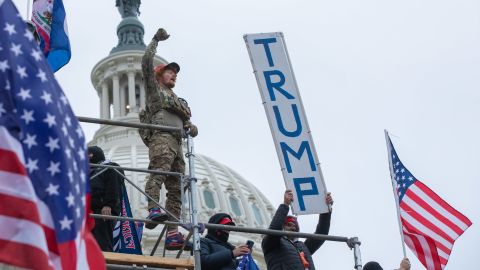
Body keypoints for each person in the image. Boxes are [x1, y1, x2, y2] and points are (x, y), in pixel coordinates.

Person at [140, 27, 198, 250]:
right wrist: (155, 40)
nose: (174, 74)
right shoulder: (155, 91)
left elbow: (184, 122)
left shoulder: (178, 100)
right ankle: (153, 208)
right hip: (162, 137)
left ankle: (173, 232)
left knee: (177, 187)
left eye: (175, 73)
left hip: (177, 143)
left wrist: (190, 126)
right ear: (159, 75)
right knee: (158, 173)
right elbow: (146, 62)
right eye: (169, 71)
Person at [262, 190, 333, 270]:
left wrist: (325, 210)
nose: (293, 228)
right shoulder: (270, 243)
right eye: (289, 225)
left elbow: (321, 234)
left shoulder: (303, 247)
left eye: (295, 227)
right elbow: (274, 231)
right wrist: (285, 204)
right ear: (282, 227)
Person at [88, 146, 124, 252]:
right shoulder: (89, 172)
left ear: (92, 155)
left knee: (101, 243)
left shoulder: (110, 167)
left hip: (102, 212)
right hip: (89, 212)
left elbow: (113, 186)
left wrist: (109, 205)